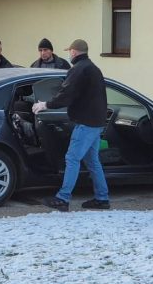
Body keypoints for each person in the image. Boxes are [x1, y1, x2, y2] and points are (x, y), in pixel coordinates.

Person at [33, 39, 110, 211]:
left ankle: (63, 198)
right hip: (96, 121)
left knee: (72, 158)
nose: (69, 54)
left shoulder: (78, 70)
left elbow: (66, 94)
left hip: (86, 123)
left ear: (74, 52)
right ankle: (102, 198)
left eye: (70, 51)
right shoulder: (93, 68)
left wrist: (46, 104)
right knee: (92, 161)